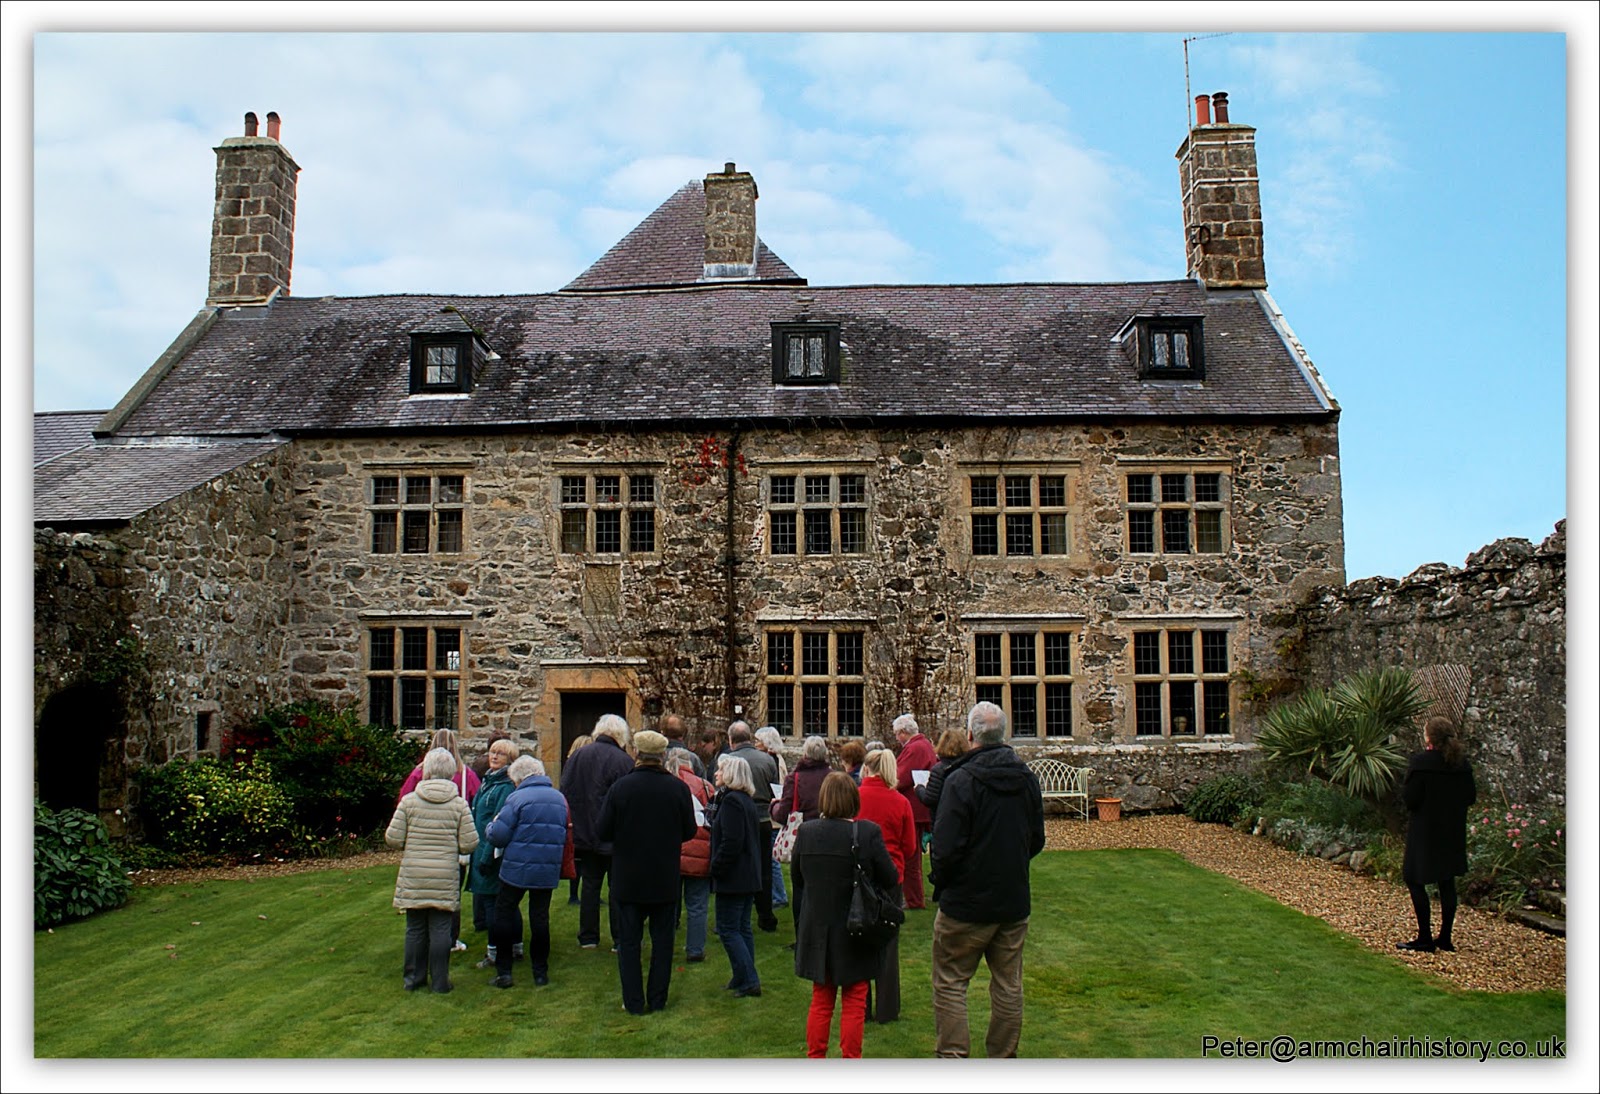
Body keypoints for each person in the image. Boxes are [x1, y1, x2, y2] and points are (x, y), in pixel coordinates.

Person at [928, 701, 1046, 1058]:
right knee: (1009, 985)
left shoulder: (961, 779)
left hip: (966, 903)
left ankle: (953, 1057)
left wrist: (943, 881)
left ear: (969, 736)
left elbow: (945, 847)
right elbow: (1035, 839)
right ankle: (1003, 1058)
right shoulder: (1026, 777)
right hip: (1012, 901)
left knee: (950, 983)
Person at [792, 772, 900, 1058]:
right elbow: (890, 876)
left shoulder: (808, 832)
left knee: (823, 997)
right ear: (854, 798)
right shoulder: (867, 833)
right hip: (855, 925)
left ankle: (816, 1058)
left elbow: (798, 878)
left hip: (820, 925)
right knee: (853, 998)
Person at [597, 730, 698, 1015]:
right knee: (662, 942)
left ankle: (633, 1002)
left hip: (628, 877)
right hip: (664, 876)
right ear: (662, 755)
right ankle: (657, 998)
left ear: (637, 754)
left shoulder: (621, 788)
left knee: (629, 943)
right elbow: (690, 830)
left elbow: (602, 830)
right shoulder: (676, 788)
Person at [385, 747, 479, 994]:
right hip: (445, 873)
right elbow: (470, 842)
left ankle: (413, 980)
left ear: (426, 770)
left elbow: (393, 838)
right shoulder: (459, 805)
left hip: (415, 871)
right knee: (440, 928)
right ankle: (440, 981)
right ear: (451, 771)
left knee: (415, 927)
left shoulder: (409, 802)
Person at [485, 756, 569, 988]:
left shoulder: (516, 798)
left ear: (519, 778)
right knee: (540, 918)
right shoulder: (559, 798)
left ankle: (504, 972)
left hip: (517, 867)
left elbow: (499, 835)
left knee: (504, 914)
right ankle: (540, 972)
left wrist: (490, 826)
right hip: (546, 866)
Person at [394, 729, 480, 952]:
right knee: (451, 897)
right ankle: (450, 942)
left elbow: (403, 801)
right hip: (450, 848)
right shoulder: (465, 775)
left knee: (417, 909)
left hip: (419, 850)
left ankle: (419, 951)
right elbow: (476, 802)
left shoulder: (418, 775)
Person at [1398, 715, 1477, 953]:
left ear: (1430, 738)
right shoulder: (1460, 764)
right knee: (1446, 880)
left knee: (1414, 877)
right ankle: (1445, 937)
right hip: (1451, 829)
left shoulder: (1422, 763)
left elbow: (1410, 798)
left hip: (1425, 828)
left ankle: (1425, 936)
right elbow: (1470, 797)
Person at [560, 714, 634, 950]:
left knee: (590, 885)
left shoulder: (578, 756)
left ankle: (588, 937)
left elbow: (566, 790)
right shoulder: (623, 761)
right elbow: (627, 801)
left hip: (585, 833)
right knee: (617, 886)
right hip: (615, 834)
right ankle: (620, 938)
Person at [856, 747, 917, 1023]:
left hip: (859, 878)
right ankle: (888, 1008)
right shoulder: (900, 802)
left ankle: (861, 1007)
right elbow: (910, 846)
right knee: (888, 944)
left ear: (866, 769)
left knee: (858, 937)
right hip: (891, 878)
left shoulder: (854, 798)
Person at [709, 753, 764, 998]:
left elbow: (732, 841)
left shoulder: (732, 802)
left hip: (734, 875)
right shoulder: (744, 801)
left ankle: (749, 979)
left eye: (720, 770)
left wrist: (716, 866)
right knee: (741, 927)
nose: (716, 774)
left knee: (728, 928)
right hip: (747, 873)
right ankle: (742, 975)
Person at [467, 738, 521, 968]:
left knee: (494, 904)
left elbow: (498, 824)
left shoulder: (505, 786)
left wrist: (487, 856)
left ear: (510, 759)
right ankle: (514, 946)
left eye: (500, 753)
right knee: (502, 903)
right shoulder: (488, 781)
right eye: (492, 752)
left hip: (492, 853)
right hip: (481, 848)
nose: (494, 756)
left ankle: (496, 952)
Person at [772, 735, 832, 936]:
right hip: (828, 835)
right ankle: (823, 933)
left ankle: (802, 936)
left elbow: (782, 813)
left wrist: (773, 805)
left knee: (800, 887)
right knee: (823, 886)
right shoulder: (832, 777)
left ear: (805, 754)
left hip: (803, 837)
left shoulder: (795, 778)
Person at [727, 721, 780, 932]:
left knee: (736, 866)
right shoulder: (767, 759)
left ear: (731, 741)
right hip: (763, 819)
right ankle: (765, 916)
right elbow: (774, 789)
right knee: (764, 869)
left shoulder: (728, 760)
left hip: (737, 819)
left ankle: (737, 915)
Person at [669, 747, 715, 963]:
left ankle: (665, 944)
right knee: (697, 904)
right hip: (700, 851)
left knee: (668, 902)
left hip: (671, 850)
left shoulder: (666, 785)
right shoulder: (706, 787)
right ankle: (695, 949)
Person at [893, 713, 937, 908]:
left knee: (910, 857)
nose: (896, 738)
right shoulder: (924, 744)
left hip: (914, 808)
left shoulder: (915, 748)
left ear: (904, 732)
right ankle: (914, 896)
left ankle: (914, 899)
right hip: (920, 807)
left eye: (897, 734)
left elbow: (900, 777)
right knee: (913, 856)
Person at [756, 725, 792, 912]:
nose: (755, 744)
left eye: (758, 741)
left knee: (772, 858)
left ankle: (779, 895)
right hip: (775, 812)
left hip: (773, 814)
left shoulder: (772, 761)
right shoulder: (777, 759)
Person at [916, 728, 971, 828]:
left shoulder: (939, 769)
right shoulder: (969, 766)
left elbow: (930, 799)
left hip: (943, 821)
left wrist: (919, 789)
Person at [562, 734, 591, 905]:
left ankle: (579, 894)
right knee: (579, 857)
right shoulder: (576, 768)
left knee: (580, 857)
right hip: (579, 815)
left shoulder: (571, 767)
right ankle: (574, 895)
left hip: (577, 814)